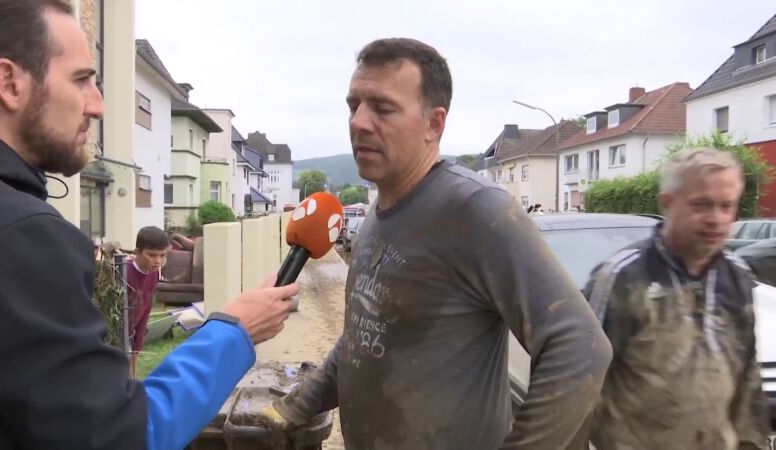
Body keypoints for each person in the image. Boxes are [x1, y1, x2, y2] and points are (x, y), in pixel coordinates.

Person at [0, 1, 298, 449]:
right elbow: (120, 438)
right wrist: (234, 331)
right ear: (10, 82)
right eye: (81, 80)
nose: (98, 106)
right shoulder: (20, 236)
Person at [262, 37, 611, 449]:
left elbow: (580, 347)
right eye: (354, 105)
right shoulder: (376, 216)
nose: (359, 122)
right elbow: (365, 335)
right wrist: (297, 406)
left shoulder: (477, 211)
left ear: (434, 124)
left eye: (383, 108)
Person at [584, 148, 770, 449]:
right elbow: (582, 386)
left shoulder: (737, 277)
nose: (716, 219)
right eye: (702, 205)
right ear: (668, 203)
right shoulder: (623, 278)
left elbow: (748, 384)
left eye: (726, 206)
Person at [126, 226, 170, 376]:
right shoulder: (125, 272)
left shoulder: (153, 274)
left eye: (162, 255)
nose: (158, 261)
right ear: (137, 252)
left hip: (132, 336)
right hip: (116, 337)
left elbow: (146, 307)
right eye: (152, 255)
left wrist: (138, 344)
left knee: (130, 379)